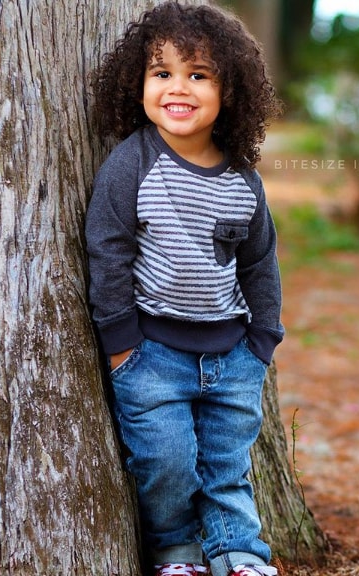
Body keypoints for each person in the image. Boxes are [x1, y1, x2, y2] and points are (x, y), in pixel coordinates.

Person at [85, 3, 285, 576]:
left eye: (198, 74)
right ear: (138, 85)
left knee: (226, 463)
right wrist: (122, 345)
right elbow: (108, 249)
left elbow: (259, 264)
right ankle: (176, 550)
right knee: (164, 462)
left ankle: (239, 552)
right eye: (162, 72)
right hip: (151, 355)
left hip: (233, 355)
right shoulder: (132, 165)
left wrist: (263, 342)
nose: (179, 88)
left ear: (231, 91)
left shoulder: (243, 179)